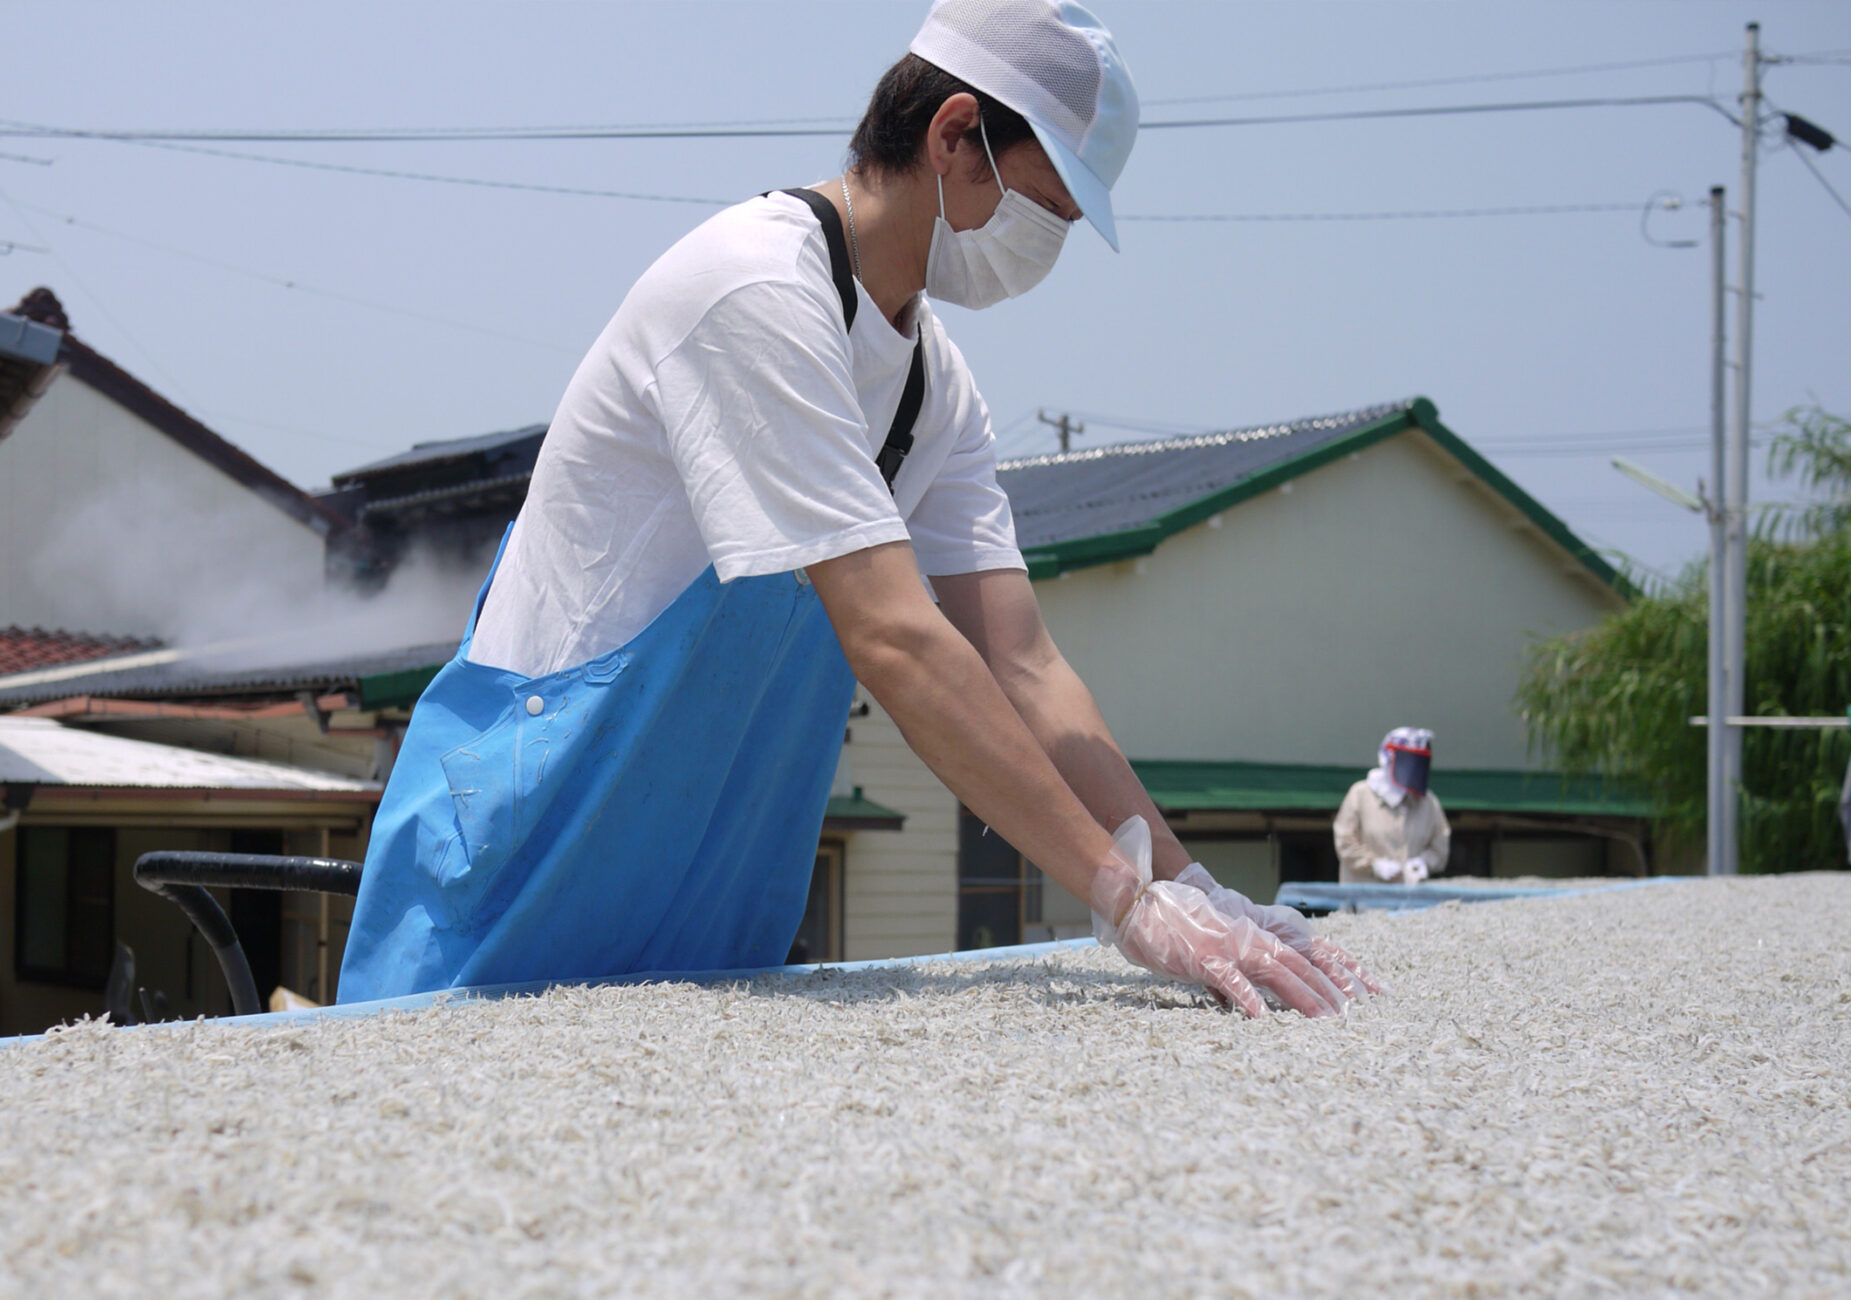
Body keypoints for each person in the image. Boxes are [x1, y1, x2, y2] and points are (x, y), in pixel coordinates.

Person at [337, 0, 1380, 1020]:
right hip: (524, 863)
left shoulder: (934, 390)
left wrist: (1193, 889)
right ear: (956, 134)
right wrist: (1123, 899)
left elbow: (1026, 671)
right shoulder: (752, 293)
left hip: (704, 913)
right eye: (1047, 206)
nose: (1048, 247)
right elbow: (892, 634)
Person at [1334, 727, 1450, 885]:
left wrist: (1424, 862)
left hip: (1409, 901)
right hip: (1363, 899)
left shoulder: (1428, 802)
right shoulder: (1360, 794)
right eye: (1410, 761)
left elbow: (1440, 844)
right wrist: (1373, 865)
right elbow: (1344, 840)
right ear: (1389, 757)